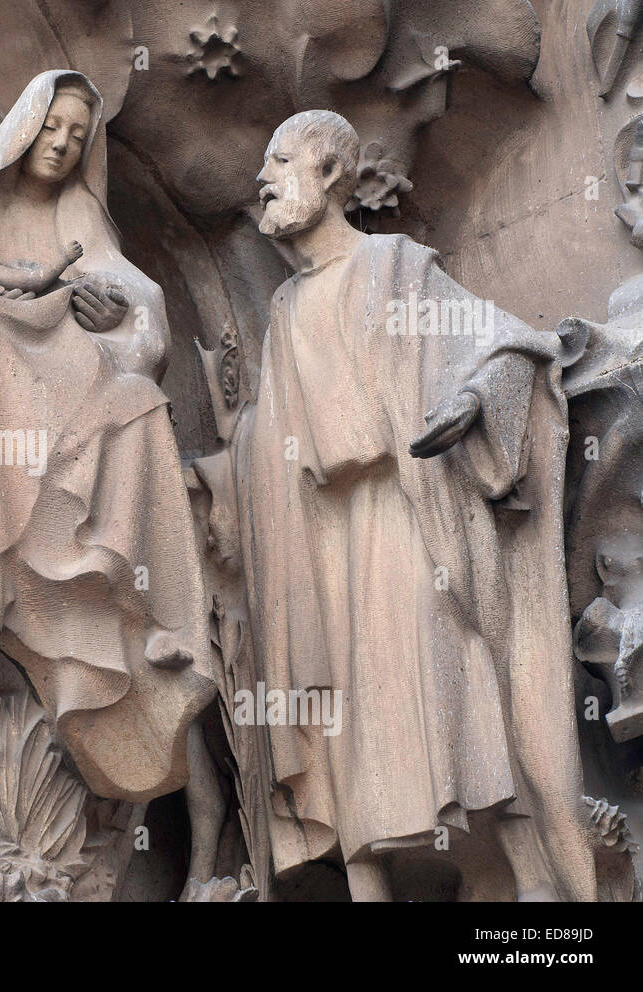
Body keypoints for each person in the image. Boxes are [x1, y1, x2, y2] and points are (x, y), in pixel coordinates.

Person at [237, 109, 596, 900]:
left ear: (332, 175)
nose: (262, 179)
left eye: (280, 160)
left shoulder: (396, 267)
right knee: (349, 733)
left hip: (410, 520)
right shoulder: (284, 312)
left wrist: (475, 398)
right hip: (324, 544)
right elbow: (270, 444)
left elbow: (510, 345)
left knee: (462, 698)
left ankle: (540, 896)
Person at [0, 70, 214, 803]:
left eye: (77, 135)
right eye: (52, 126)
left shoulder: (80, 221)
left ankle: (140, 607)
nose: (62, 144)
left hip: (74, 381)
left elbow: (139, 314)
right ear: (23, 127)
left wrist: (113, 317)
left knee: (138, 402)